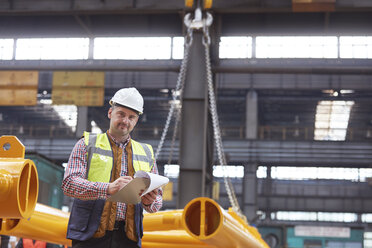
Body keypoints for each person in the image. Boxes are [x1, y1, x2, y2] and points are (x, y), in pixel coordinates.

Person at [62, 87, 163, 248]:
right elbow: (69, 184)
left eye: (131, 117)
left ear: (136, 120)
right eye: (121, 114)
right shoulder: (86, 144)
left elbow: (157, 201)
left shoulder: (146, 153)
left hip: (127, 238)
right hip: (89, 236)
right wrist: (108, 188)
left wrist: (149, 202)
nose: (125, 121)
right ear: (110, 113)